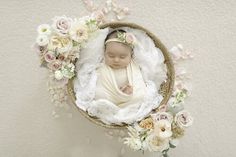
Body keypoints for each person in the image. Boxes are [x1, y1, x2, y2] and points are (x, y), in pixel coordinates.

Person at [94, 29, 148, 108]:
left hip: (129, 97)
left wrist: (127, 91)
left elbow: (138, 82)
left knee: (140, 95)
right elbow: (98, 82)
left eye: (122, 57)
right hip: (108, 96)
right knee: (99, 95)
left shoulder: (133, 67)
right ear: (104, 53)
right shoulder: (102, 67)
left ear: (131, 55)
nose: (116, 60)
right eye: (111, 56)